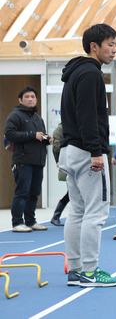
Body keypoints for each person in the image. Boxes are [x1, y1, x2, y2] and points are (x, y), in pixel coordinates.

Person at [59, 23, 116, 287]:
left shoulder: (75, 72)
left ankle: (75, 270)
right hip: (87, 153)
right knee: (96, 213)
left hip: (70, 151)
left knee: (77, 211)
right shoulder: (90, 74)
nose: (114, 51)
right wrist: (97, 152)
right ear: (94, 46)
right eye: (110, 44)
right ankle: (89, 271)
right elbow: (87, 116)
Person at [4, 85, 53, 233]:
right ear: (20, 100)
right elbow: (9, 134)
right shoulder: (15, 115)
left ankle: (31, 221)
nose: (30, 99)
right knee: (22, 192)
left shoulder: (38, 118)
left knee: (34, 193)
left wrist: (47, 138)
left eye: (33, 97)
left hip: (38, 161)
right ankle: (17, 222)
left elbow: (39, 136)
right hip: (23, 161)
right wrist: (32, 135)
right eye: (27, 97)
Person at [51, 123, 69, 226]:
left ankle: (56, 216)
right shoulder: (60, 128)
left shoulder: (76, 125)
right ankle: (55, 216)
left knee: (74, 193)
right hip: (67, 164)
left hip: (76, 164)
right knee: (72, 193)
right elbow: (56, 146)